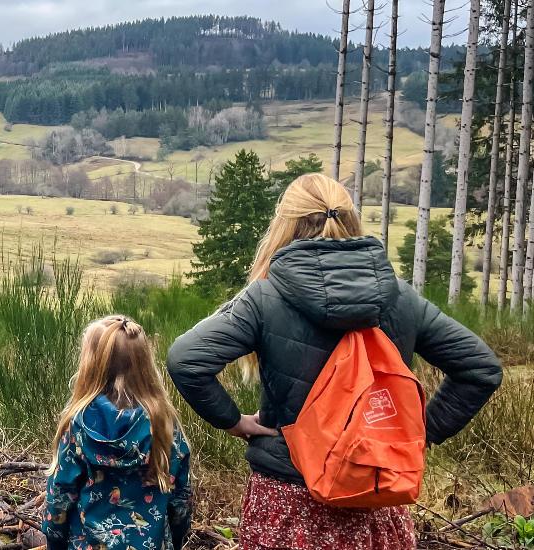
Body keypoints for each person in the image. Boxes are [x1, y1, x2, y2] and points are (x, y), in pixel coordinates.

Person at [167, 173, 503, 550]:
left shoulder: (265, 297)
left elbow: (186, 359)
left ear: (286, 225)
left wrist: (233, 422)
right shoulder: (400, 297)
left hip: (289, 498)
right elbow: (480, 368)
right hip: (376, 494)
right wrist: (417, 435)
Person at [43, 315, 193, 550]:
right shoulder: (165, 424)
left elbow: (60, 499)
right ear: (144, 364)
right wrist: (176, 536)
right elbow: (180, 502)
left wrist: (54, 541)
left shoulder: (77, 426)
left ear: (90, 366)